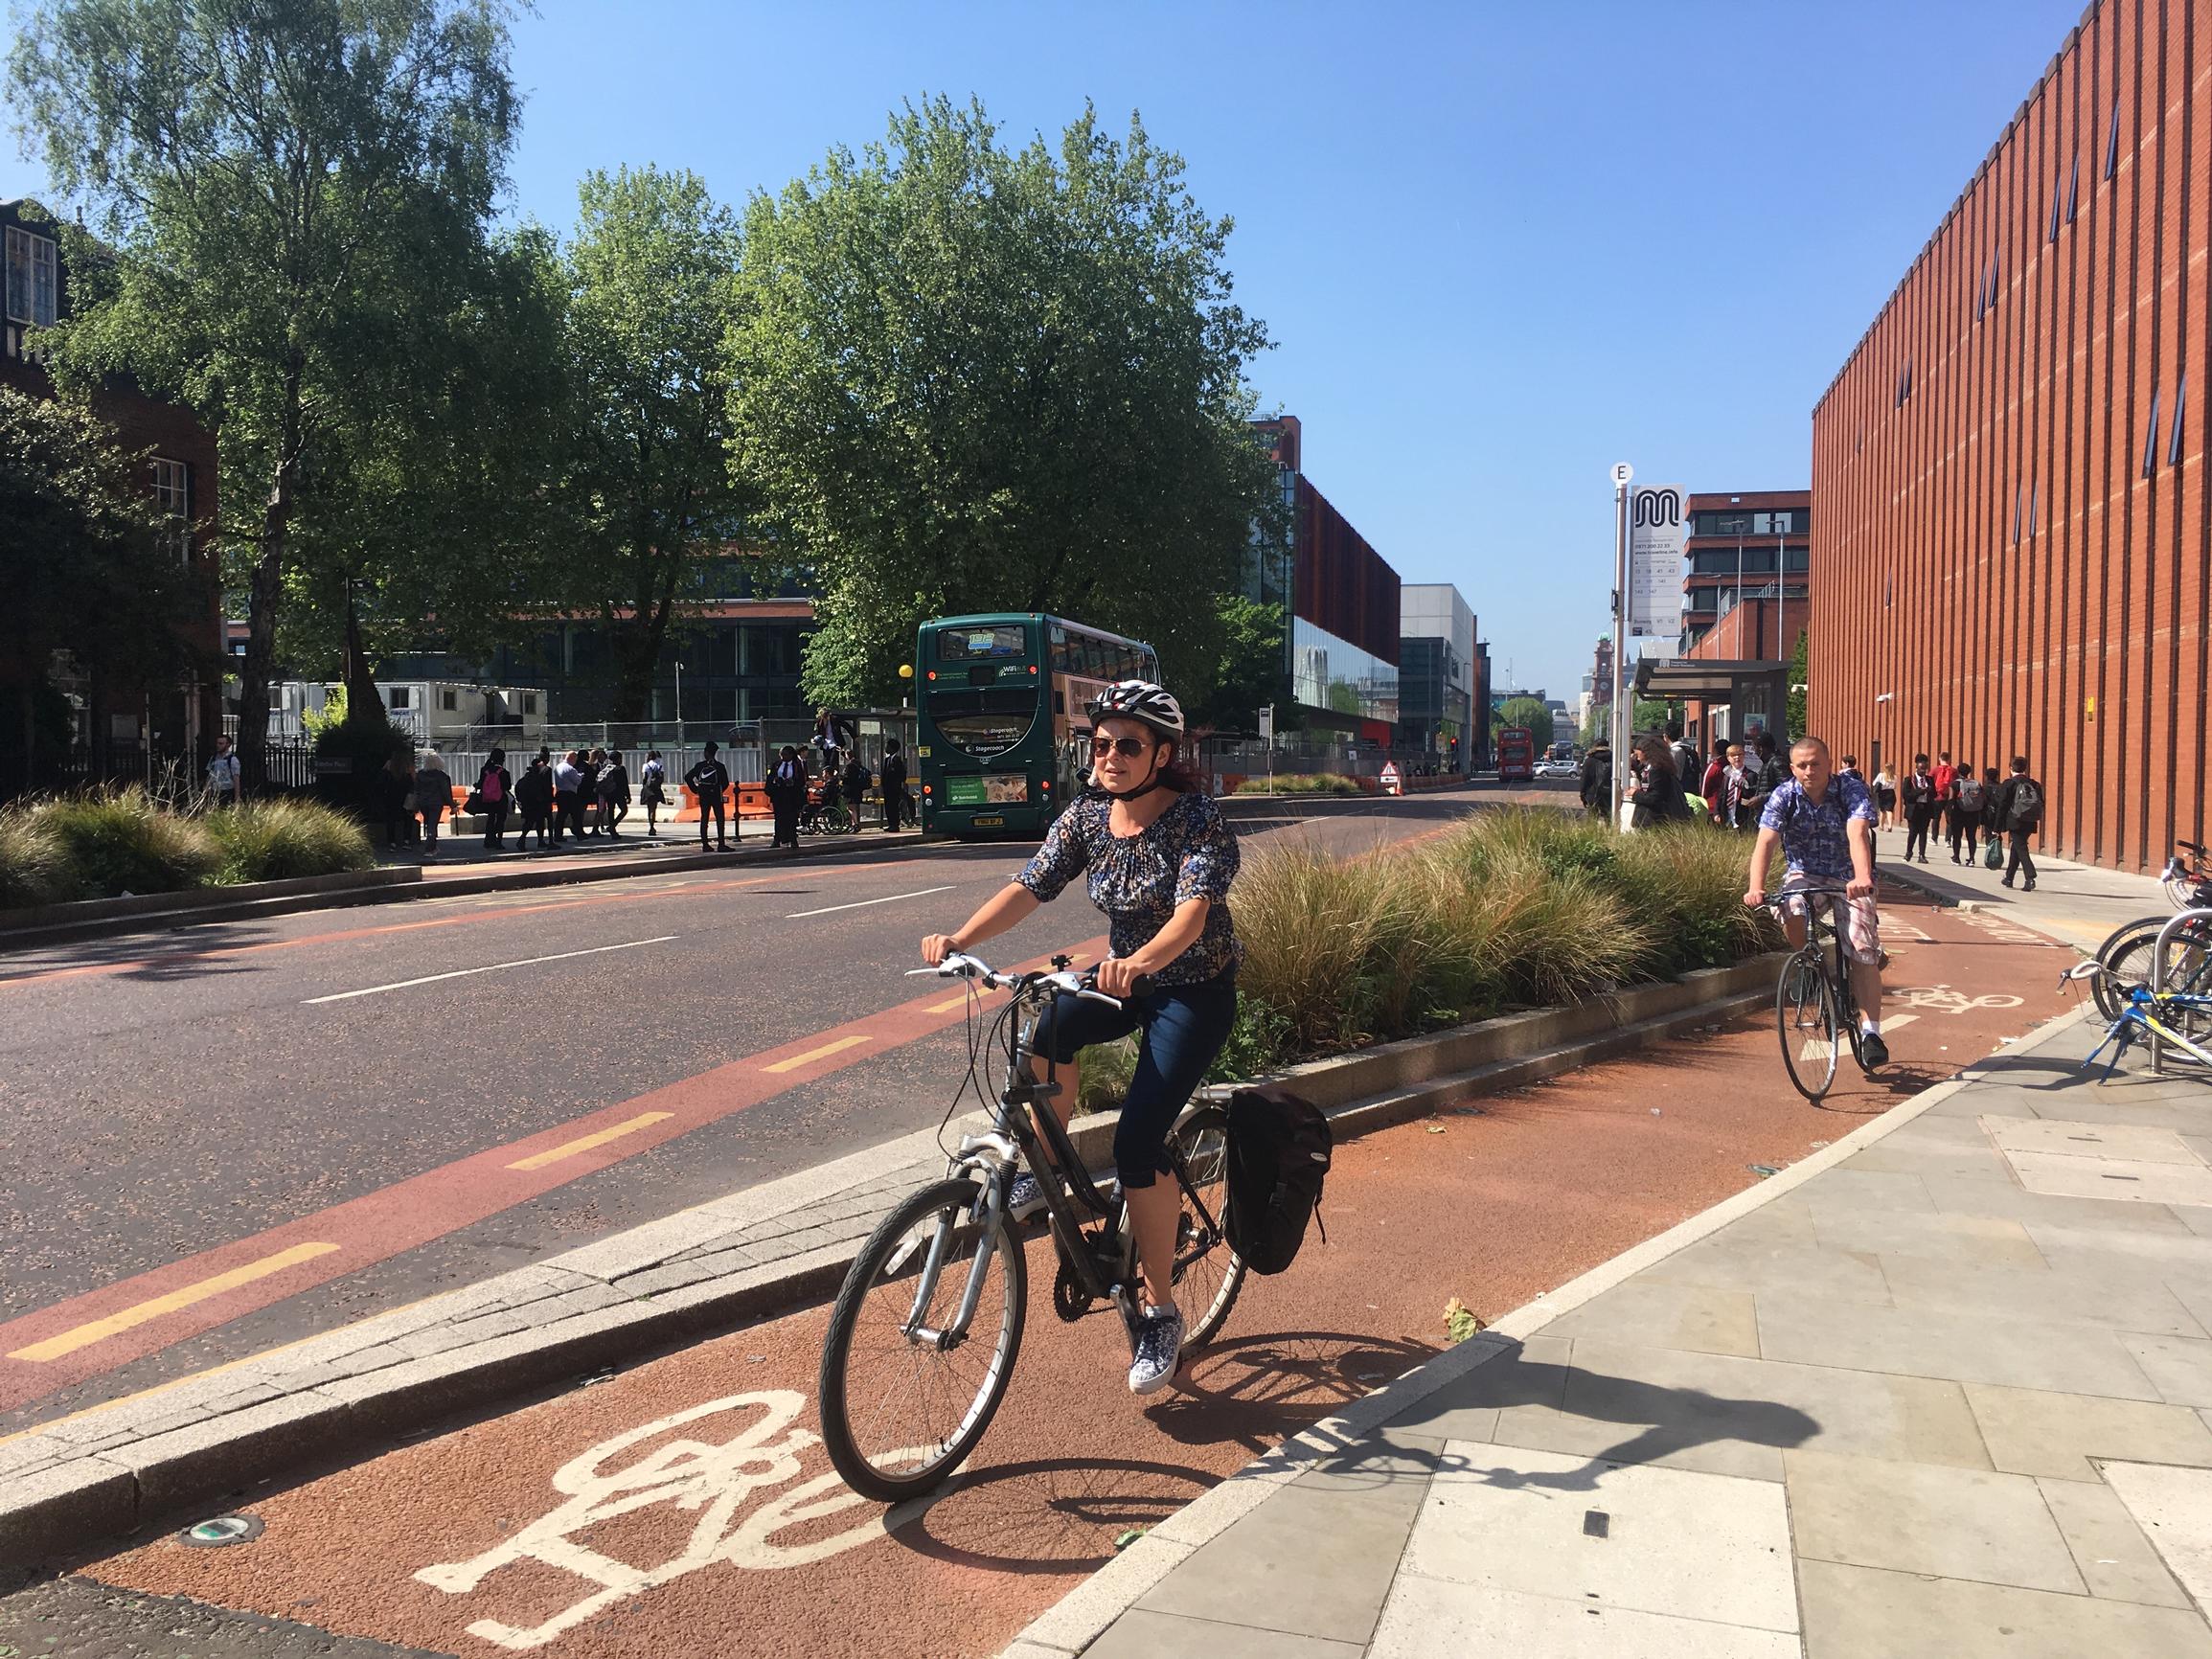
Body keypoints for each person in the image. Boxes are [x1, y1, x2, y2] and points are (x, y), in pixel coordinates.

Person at [921, 680, 1239, 1397]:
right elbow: (1030, 887)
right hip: (1120, 976)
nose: (1111, 756)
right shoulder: (1087, 818)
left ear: (1162, 752)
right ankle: (1044, 1169)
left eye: (1128, 744)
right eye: (1100, 744)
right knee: (1047, 1024)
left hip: (1188, 988)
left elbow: (1192, 913)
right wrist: (960, 940)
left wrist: (1142, 964)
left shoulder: (1198, 820)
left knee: (1135, 1143)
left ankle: (1158, 1311)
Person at [1744, 735, 1890, 1071]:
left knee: (1861, 947)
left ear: (1829, 763)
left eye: (1816, 764)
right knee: (1790, 908)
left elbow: (1858, 833)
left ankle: (1872, 1034)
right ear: (1793, 768)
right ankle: (1808, 962)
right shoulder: (1785, 795)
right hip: (1805, 874)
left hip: (1848, 877)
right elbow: (1765, 842)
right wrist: (1756, 887)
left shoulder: (1849, 791)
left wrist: (1862, 877)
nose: (1810, 771)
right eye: (1803, 765)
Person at [1994, 756, 2043, 891]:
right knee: (2016, 847)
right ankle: (2009, 878)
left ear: (2010, 768)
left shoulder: (2009, 784)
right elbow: (2041, 803)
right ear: (2025, 768)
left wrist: (1996, 828)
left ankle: (2030, 876)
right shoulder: (2034, 784)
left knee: (2021, 848)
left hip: (2015, 820)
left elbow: (2002, 806)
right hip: (2030, 820)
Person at [1624, 735, 1692, 830]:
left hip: (1656, 819)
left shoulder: (1657, 769)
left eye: (1638, 754)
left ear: (1646, 752)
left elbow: (1656, 796)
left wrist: (1636, 793)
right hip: (1658, 819)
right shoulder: (1660, 767)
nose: (1638, 758)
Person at [685, 741, 731, 852]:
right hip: (716, 796)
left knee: (704, 819)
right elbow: (726, 783)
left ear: (706, 753)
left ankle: (705, 844)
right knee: (720, 819)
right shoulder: (720, 766)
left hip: (704, 796)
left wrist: (696, 790)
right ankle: (721, 844)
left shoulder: (700, 766)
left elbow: (688, 777)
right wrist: (718, 790)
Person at [1900, 753, 1939, 863]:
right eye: (1921, 768)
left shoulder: (1929, 780)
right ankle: (1909, 853)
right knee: (1913, 832)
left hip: (1925, 808)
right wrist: (1921, 791)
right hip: (1913, 809)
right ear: (1916, 766)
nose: (1923, 771)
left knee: (1923, 832)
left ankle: (1922, 855)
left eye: (1925, 769)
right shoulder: (1909, 780)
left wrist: (1929, 790)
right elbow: (1907, 795)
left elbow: (1935, 794)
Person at [415, 749, 453, 860]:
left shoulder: (420, 774)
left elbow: (416, 789)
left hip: (423, 802)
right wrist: (452, 805)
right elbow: (446, 792)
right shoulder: (442, 776)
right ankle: (430, 848)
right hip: (436, 803)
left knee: (428, 822)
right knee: (433, 824)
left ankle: (432, 844)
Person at [768, 744, 806, 848]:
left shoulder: (797, 765)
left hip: (791, 795)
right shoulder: (777, 764)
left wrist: (793, 782)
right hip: (779, 795)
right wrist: (775, 782)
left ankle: (793, 839)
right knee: (779, 818)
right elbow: (770, 778)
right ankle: (777, 840)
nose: (783, 757)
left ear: (790, 755)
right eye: (781, 754)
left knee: (791, 818)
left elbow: (801, 780)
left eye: (785, 754)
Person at [1950, 761, 1987, 865]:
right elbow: (1983, 800)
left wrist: (1948, 814)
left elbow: (1950, 799)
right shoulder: (1976, 783)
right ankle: (1971, 858)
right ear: (1969, 772)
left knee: (1957, 836)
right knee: (1971, 837)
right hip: (1973, 814)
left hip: (1958, 813)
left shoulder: (1955, 783)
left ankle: (1956, 857)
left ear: (1958, 771)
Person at [514, 753, 554, 851]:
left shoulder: (528, 775)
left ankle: (533, 840)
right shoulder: (546, 770)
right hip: (541, 801)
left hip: (528, 801)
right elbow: (547, 786)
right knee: (547, 820)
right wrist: (550, 798)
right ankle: (549, 842)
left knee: (530, 821)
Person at [379, 749, 417, 851]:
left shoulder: (389, 765)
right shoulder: (408, 766)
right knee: (408, 818)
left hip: (391, 796)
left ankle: (392, 842)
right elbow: (414, 781)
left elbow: (382, 778)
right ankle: (406, 840)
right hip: (406, 796)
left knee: (391, 819)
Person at [478, 747, 512, 850]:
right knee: (500, 820)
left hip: (488, 799)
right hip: (501, 799)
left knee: (491, 818)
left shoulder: (484, 770)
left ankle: (488, 839)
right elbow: (508, 786)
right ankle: (498, 841)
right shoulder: (504, 772)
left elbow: (480, 784)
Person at [1578, 738, 1613, 823]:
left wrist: (1582, 795)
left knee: (1592, 818)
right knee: (1609, 818)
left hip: (1592, 794)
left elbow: (1584, 779)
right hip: (1609, 793)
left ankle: (1592, 834)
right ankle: (1610, 834)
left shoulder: (1589, 760)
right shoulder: (1613, 759)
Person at [553, 750, 584, 845]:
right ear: (572, 758)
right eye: (575, 759)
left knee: (561, 816)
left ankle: (558, 835)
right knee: (576, 815)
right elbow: (577, 782)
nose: (576, 761)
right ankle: (579, 833)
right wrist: (581, 776)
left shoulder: (558, 767)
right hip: (570, 794)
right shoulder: (571, 769)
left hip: (560, 793)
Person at [599, 749, 631, 839]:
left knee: (611, 811)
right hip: (619, 793)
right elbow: (625, 783)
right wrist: (628, 796)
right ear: (618, 759)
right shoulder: (621, 768)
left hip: (609, 793)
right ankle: (612, 827)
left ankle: (613, 832)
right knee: (624, 810)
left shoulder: (607, 767)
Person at [880, 739, 910, 832]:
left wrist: (896, 784)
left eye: (887, 746)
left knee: (894, 806)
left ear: (892, 748)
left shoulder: (897, 760)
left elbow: (902, 774)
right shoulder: (886, 760)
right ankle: (891, 824)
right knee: (888, 806)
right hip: (887, 788)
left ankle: (895, 825)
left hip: (894, 788)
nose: (886, 748)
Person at [1930, 751, 1958, 850]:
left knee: (1936, 819)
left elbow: (1930, 783)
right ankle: (1948, 840)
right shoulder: (1954, 771)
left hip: (1937, 797)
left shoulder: (1934, 770)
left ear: (1940, 759)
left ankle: (1934, 839)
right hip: (1949, 798)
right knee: (1950, 819)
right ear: (1949, 759)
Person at [206, 734, 241, 808]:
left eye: (221, 744)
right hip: (215, 791)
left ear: (228, 745)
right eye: (217, 743)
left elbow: (236, 778)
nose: (218, 746)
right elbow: (210, 776)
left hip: (227, 791)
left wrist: (237, 797)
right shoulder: (213, 759)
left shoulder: (232, 760)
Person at [1699, 738, 1730, 823]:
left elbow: (1705, 787)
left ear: (1715, 750)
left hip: (1711, 807)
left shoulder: (1714, 766)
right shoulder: (1732, 767)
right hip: (1727, 806)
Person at [841, 749, 872, 832]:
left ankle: (855, 824)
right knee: (853, 808)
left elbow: (848, 778)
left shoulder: (850, 766)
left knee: (851, 808)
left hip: (850, 790)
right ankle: (854, 825)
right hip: (857, 790)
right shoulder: (858, 764)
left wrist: (840, 777)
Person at [1665, 721, 1700, 790]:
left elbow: (1675, 774)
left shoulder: (1674, 751)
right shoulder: (1687, 749)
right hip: (1691, 787)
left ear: (1666, 736)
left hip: (1680, 791)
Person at [640, 750, 668, 837]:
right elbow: (662, 778)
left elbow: (644, 778)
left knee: (649, 809)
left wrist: (645, 786)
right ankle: (652, 827)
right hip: (656, 789)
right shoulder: (659, 766)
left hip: (648, 789)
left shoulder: (645, 765)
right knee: (654, 809)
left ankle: (651, 826)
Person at [577, 749, 604, 838]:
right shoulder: (589, 766)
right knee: (582, 809)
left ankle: (583, 828)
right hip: (588, 791)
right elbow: (591, 778)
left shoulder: (582, 765)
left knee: (584, 809)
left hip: (586, 790)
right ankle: (582, 828)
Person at [1872, 763, 1898, 833]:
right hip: (1891, 793)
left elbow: (1874, 783)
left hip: (1883, 793)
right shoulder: (1894, 777)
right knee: (1890, 810)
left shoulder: (1881, 775)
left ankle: (1881, 826)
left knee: (1882, 810)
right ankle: (1890, 826)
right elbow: (1895, 787)